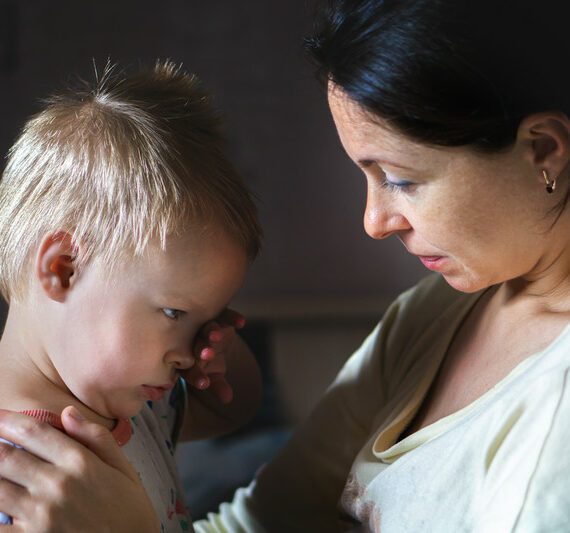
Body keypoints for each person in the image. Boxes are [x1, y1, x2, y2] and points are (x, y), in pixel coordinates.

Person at [2, 0, 570, 530]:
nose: (373, 221)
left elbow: (230, 419)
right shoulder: (441, 308)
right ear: (64, 268)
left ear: (543, 148)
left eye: (402, 179)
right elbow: (262, 516)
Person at [0, 61, 263, 531]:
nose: (186, 354)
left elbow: (235, 407)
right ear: (64, 268)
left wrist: (214, 353)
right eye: (173, 311)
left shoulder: (130, 401)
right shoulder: (21, 475)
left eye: (207, 319)